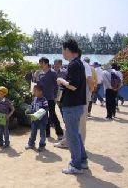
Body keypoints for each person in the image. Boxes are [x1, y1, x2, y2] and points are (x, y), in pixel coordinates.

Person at [57, 39, 88, 174]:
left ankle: (76, 165)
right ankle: (82, 160)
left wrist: (61, 80)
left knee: (72, 136)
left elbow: (73, 85)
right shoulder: (79, 63)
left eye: (63, 50)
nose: (63, 53)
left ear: (68, 49)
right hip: (77, 104)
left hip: (71, 105)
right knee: (76, 134)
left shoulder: (74, 65)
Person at [37, 57, 63, 139]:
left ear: (46, 64)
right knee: (44, 115)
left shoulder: (52, 73)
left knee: (52, 115)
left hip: (50, 97)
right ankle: (46, 132)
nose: (40, 65)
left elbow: (56, 86)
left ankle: (59, 133)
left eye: (41, 63)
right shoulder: (40, 73)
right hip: (42, 98)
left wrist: (55, 95)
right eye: (40, 63)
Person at [25, 85, 48, 152]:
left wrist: (39, 114)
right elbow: (32, 107)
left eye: (35, 90)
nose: (33, 92)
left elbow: (45, 109)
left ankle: (42, 145)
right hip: (34, 120)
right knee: (33, 132)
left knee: (42, 134)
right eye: (33, 90)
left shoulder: (44, 100)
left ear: (40, 92)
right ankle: (31, 144)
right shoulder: (34, 99)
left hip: (42, 120)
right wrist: (30, 112)